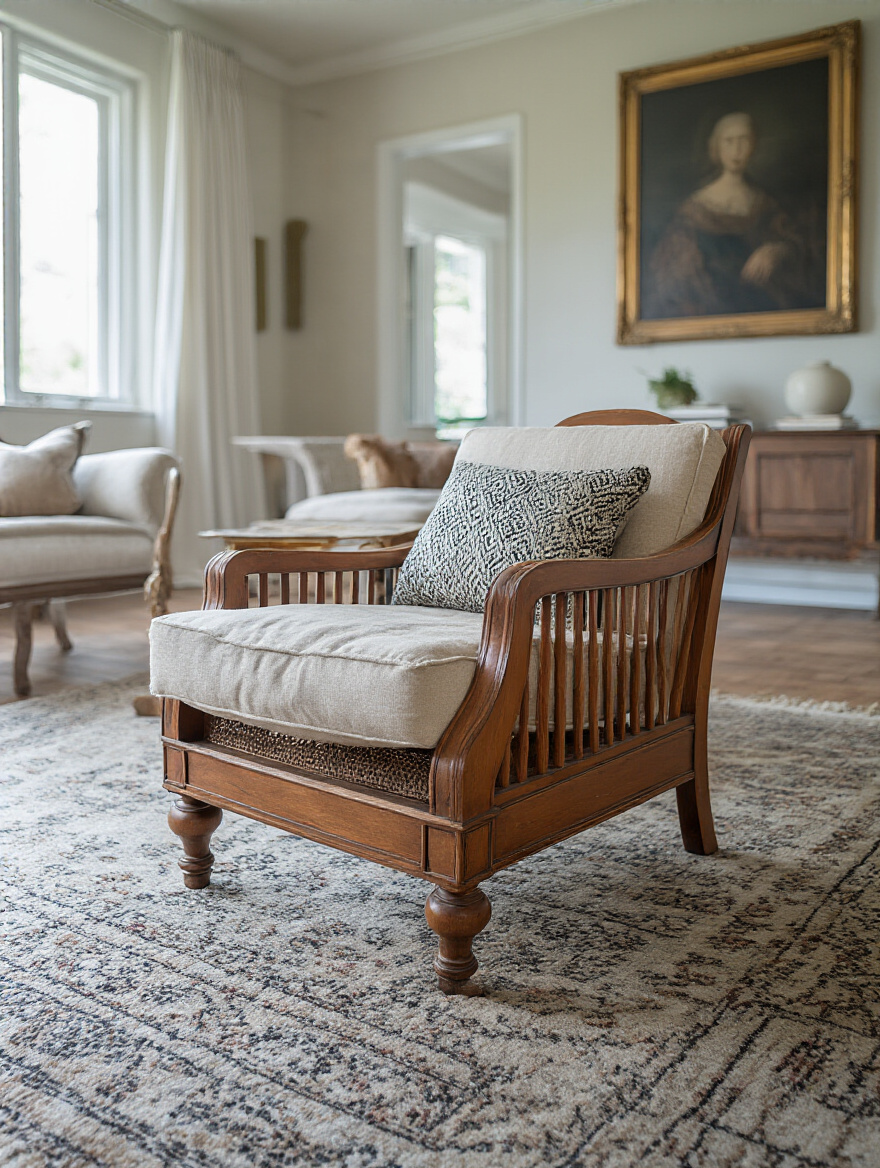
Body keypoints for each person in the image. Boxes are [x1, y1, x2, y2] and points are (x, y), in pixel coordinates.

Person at [644, 112, 814, 319]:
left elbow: (797, 246)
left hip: (764, 312)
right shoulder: (693, 208)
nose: (737, 150)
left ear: (754, 145)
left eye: (744, 140)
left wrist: (777, 250)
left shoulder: (765, 203)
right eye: (729, 141)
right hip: (706, 312)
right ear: (716, 147)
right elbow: (672, 276)